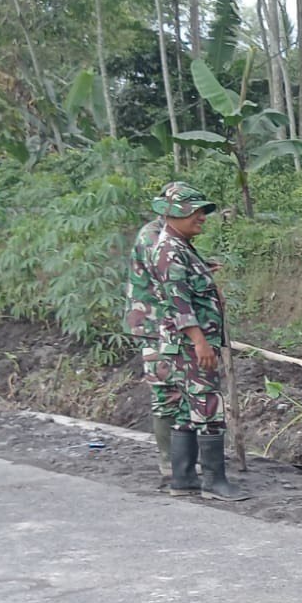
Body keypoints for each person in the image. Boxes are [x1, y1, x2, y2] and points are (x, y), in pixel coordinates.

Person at [146, 183, 247, 501]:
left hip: (186, 344)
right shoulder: (170, 251)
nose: (201, 217)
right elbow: (179, 302)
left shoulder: (181, 246)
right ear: (175, 213)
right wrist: (200, 342)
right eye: (196, 212)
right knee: (207, 406)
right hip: (190, 345)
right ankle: (214, 481)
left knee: (186, 409)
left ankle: (184, 478)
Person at [124, 185, 178, 481]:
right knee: (165, 389)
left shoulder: (169, 234)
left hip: (167, 324)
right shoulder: (153, 236)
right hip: (154, 325)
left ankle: (181, 458)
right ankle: (169, 461)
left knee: (176, 389)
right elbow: (166, 273)